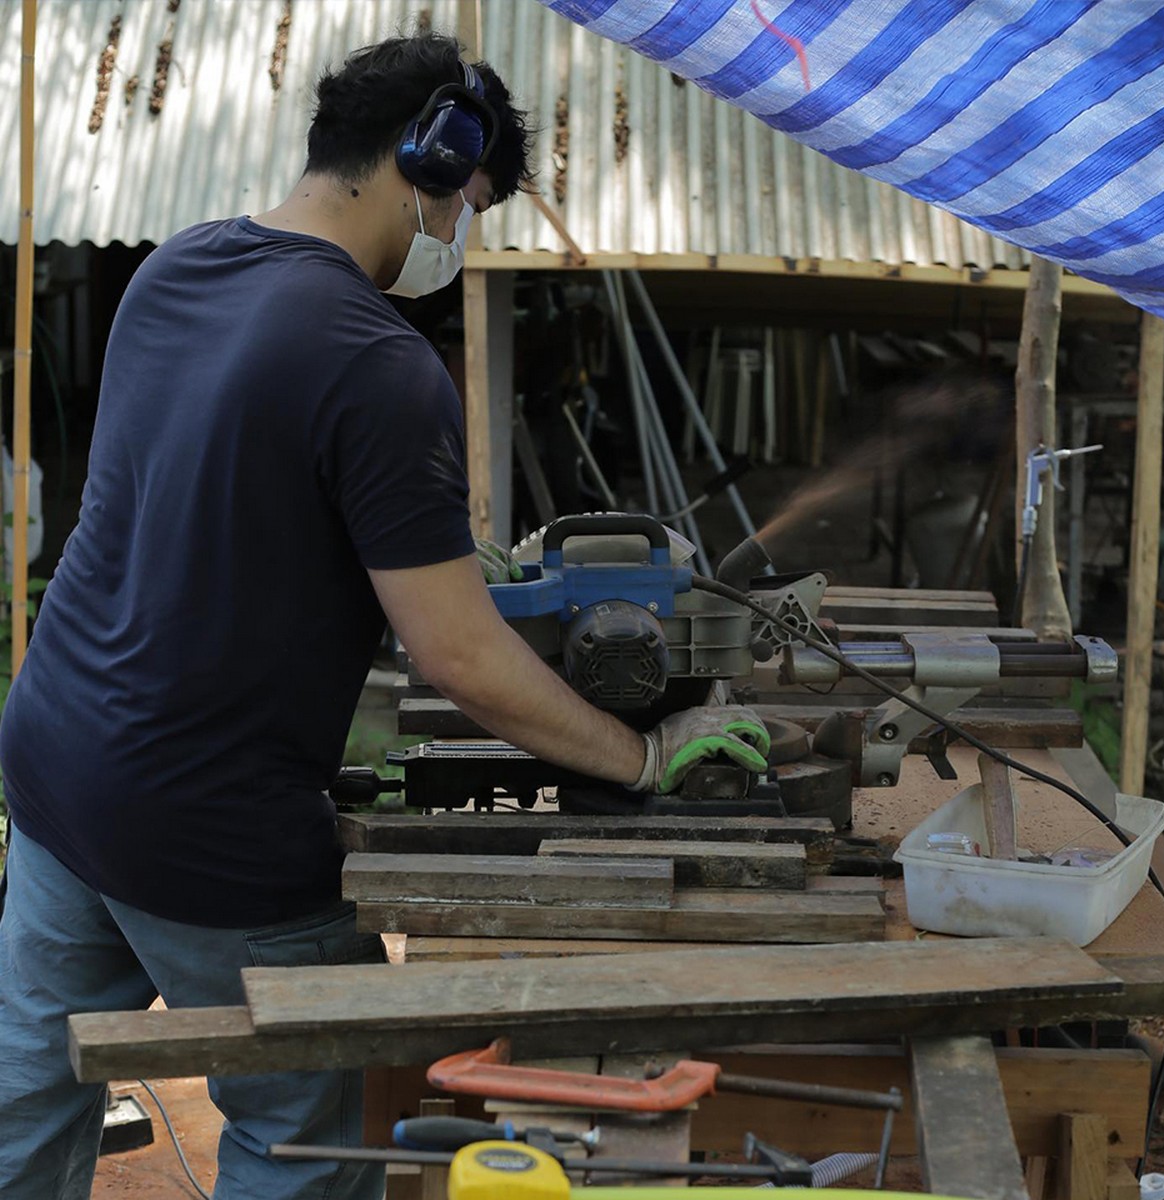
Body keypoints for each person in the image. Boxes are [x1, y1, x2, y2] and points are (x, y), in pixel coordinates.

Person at [0, 31, 768, 1200]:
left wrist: (441, 551)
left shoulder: (177, 268)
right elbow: (459, 657)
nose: (463, 239)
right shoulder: (379, 363)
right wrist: (645, 753)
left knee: (23, 1106)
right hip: (209, 829)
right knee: (307, 1130)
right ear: (439, 161)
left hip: (55, 765)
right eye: (476, 209)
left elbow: (205, 506)